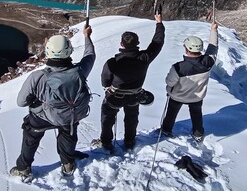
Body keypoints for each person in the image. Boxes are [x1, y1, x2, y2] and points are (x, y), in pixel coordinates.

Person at [10, 24, 95, 180]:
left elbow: (21, 102)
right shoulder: (80, 71)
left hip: (43, 118)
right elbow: (90, 55)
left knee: (31, 133)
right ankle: (67, 163)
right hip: (69, 116)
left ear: (48, 52)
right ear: (69, 51)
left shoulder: (38, 77)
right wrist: (87, 36)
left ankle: (23, 168)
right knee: (69, 131)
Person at [99, 13, 165, 151]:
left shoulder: (112, 62)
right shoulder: (144, 58)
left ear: (121, 44)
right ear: (137, 44)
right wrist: (159, 23)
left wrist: (107, 86)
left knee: (107, 118)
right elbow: (157, 43)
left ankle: (106, 142)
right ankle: (129, 141)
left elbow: (105, 81)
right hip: (134, 96)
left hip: (114, 96)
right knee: (131, 118)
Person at [161, 22, 218, 142]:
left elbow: (169, 82)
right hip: (197, 98)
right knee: (196, 114)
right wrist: (213, 30)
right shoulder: (207, 62)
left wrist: (169, 89)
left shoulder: (178, 67)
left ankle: (166, 130)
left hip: (177, 96)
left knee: (171, 114)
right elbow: (213, 48)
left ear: (187, 49)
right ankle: (198, 133)